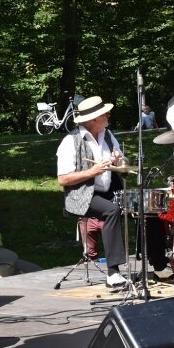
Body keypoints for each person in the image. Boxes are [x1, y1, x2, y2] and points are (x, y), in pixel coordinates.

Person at [57, 96, 129, 287]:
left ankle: (158, 262)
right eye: (105, 113)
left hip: (108, 192)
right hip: (81, 195)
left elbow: (122, 162)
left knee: (142, 207)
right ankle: (113, 273)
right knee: (112, 210)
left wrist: (118, 160)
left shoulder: (107, 135)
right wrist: (92, 172)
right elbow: (63, 179)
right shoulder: (70, 141)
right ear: (95, 118)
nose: (108, 115)